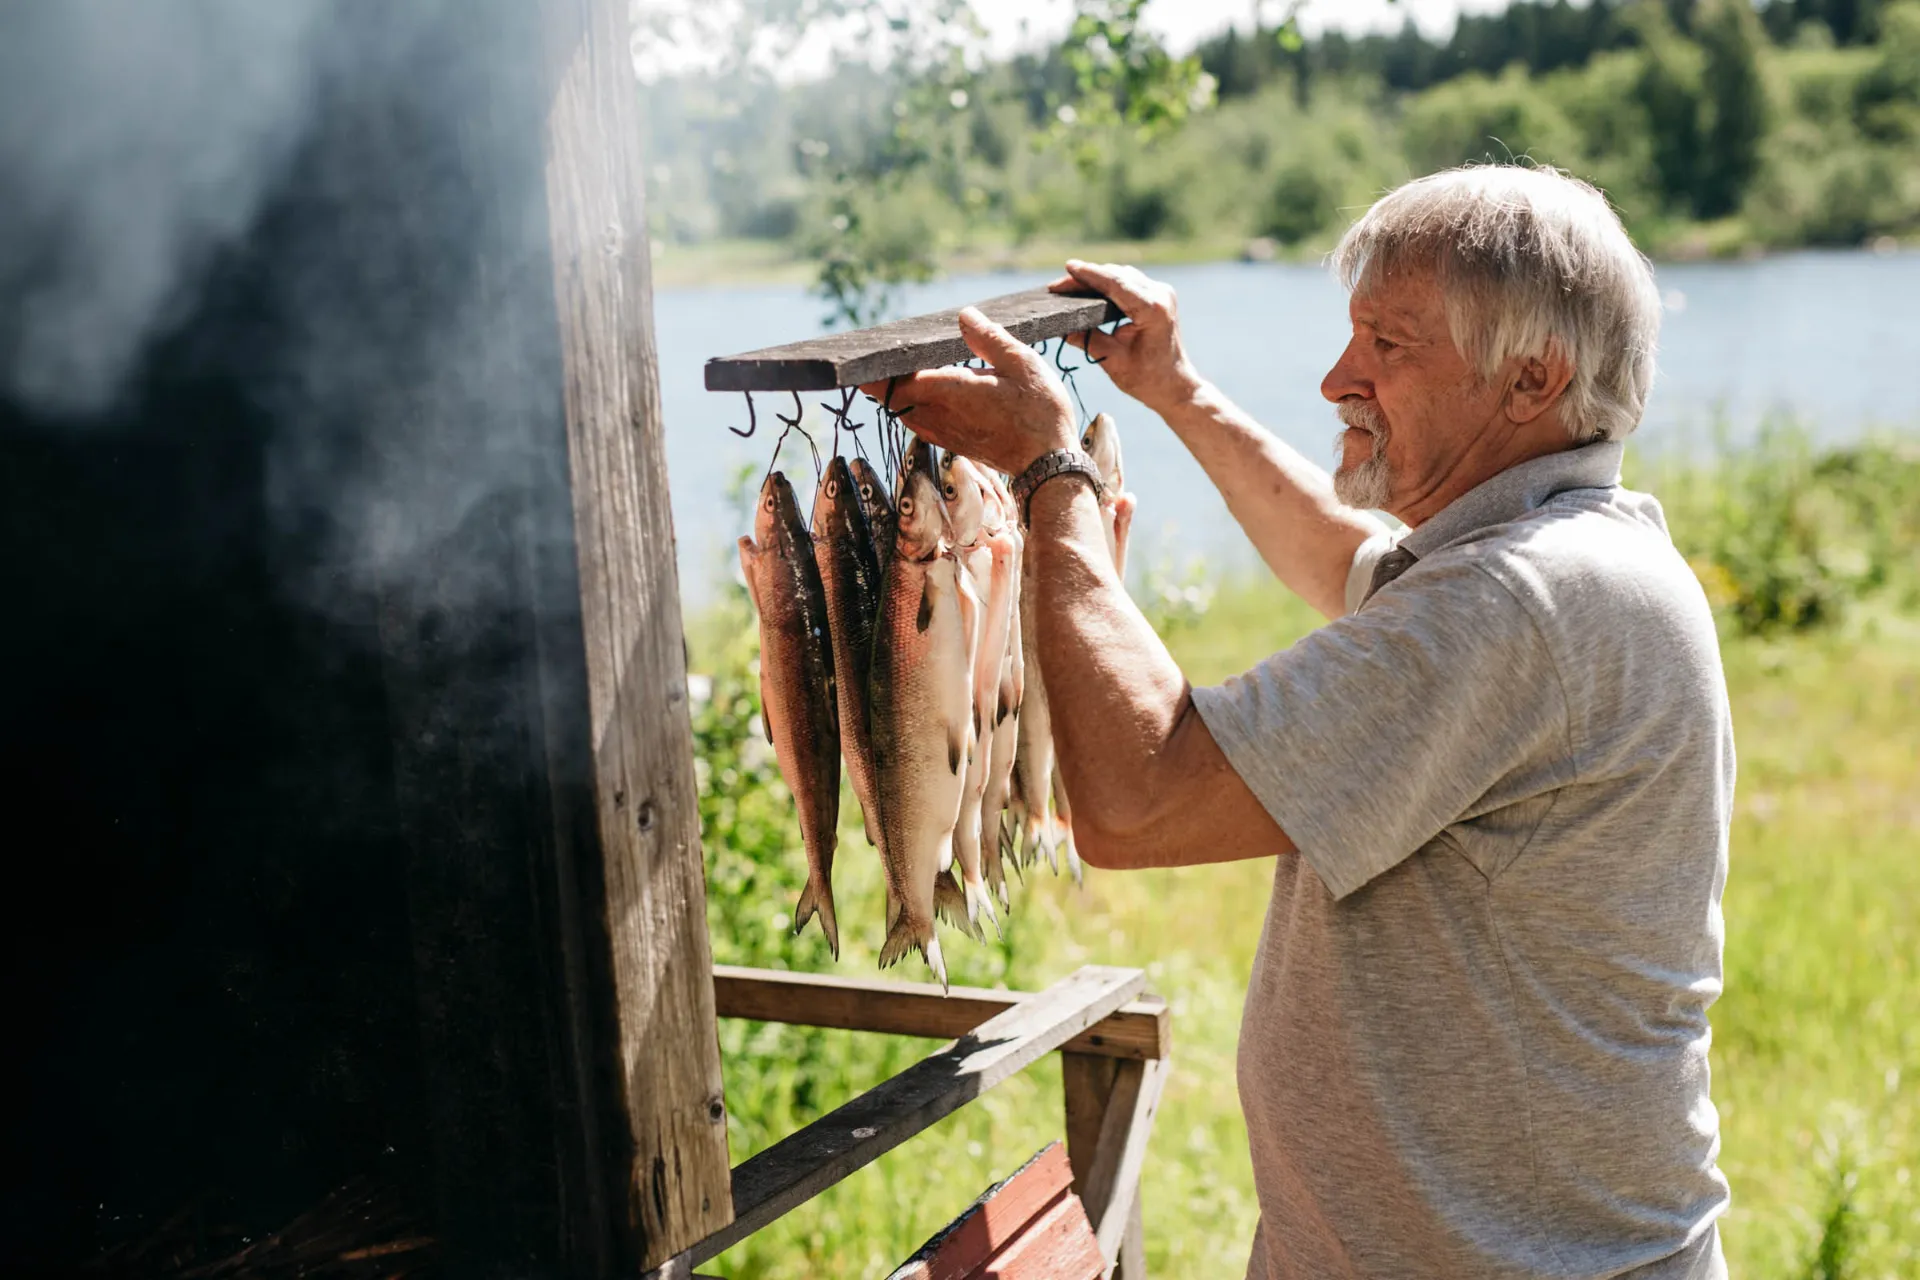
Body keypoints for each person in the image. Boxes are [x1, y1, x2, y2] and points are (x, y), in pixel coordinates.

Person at [865, 165, 1733, 1279]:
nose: (1337, 377)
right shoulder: (1564, 548)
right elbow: (1338, 553)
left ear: (1531, 378)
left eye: (1389, 344)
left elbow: (1137, 801)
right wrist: (1174, 388)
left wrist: (1050, 474)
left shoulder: (1519, 600)